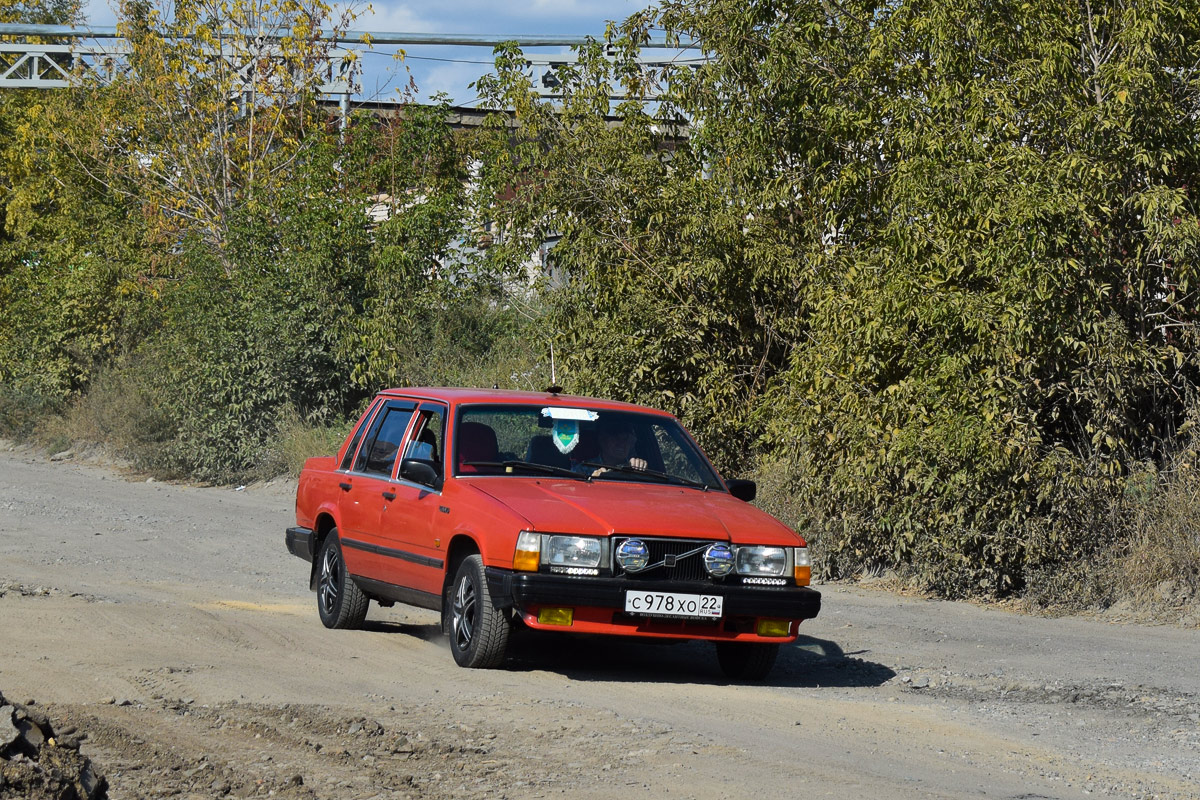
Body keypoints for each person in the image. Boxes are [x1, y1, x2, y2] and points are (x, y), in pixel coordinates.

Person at [575, 417, 647, 477]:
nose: (621, 443)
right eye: (616, 438)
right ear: (602, 440)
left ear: (631, 444)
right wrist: (592, 481)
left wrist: (640, 470)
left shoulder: (635, 468)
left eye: (626, 439)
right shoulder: (583, 469)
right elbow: (571, 490)